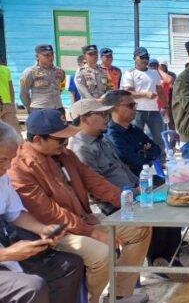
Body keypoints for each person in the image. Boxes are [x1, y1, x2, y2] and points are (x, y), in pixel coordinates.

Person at [8, 110, 151, 303]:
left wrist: (128, 203)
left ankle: (119, 295)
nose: (66, 144)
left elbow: (94, 181)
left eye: (67, 139)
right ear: (38, 140)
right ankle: (91, 299)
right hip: (56, 233)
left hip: (82, 221)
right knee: (103, 254)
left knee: (140, 228)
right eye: (60, 140)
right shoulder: (19, 168)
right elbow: (50, 213)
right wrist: (92, 232)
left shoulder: (65, 155)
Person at [68, 99, 187, 282]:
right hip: (112, 204)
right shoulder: (81, 148)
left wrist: (139, 189)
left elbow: (127, 164)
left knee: (171, 202)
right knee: (155, 214)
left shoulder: (101, 140)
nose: (106, 118)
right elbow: (96, 188)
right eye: (101, 114)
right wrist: (134, 193)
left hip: (133, 191)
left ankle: (168, 257)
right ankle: (157, 260)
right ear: (84, 118)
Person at [0, 120, 84, 303]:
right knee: (30, 288)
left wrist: (42, 229)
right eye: (2, 160)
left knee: (69, 266)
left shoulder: (2, 178)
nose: (7, 167)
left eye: (10, 160)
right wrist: (7, 254)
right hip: (4, 258)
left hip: (8, 252)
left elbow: (14, 213)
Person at [122, 46, 167, 161]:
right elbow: (128, 93)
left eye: (147, 57)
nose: (145, 60)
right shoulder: (130, 73)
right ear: (135, 58)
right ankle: (137, 160)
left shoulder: (154, 73)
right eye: (142, 57)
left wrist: (166, 106)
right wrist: (145, 95)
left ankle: (161, 160)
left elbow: (160, 91)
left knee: (158, 137)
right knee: (136, 138)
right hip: (136, 111)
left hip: (154, 110)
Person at [103, 89, 162, 178]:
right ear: (113, 108)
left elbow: (157, 149)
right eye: (131, 105)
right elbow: (133, 161)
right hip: (129, 183)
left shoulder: (134, 129)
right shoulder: (111, 134)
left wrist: (141, 154)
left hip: (143, 177)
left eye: (135, 105)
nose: (135, 108)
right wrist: (146, 152)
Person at [20, 44, 66, 114]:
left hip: (58, 108)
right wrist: (29, 108)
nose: (50, 57)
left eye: (51, 54)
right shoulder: (30, 72)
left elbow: (62, 86)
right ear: (37, 56)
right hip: (40, 109)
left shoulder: (59, 71)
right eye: (46, 55)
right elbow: (23, 93)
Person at [0, 56, 20, 133]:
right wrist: (12, 103)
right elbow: (11, 89)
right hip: (8, 103)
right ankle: (19, 144)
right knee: (14, 131)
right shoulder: (6, 69)